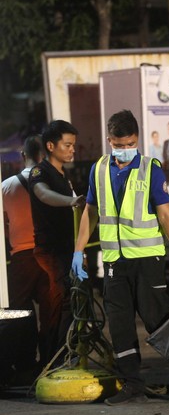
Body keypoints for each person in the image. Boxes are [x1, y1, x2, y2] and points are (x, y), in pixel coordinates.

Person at [71, 109, 169, 406]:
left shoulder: (151, 168)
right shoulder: (98, 169)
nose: (125, 150)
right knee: (120, 325)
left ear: (137, 139)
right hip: (114, 261)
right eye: (119, 145)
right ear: (109, 140)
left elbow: (166, 214)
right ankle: (133, 384)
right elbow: (91, 211)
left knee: (158, 322)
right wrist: (78, 250)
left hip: (147, 259)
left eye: (130, 144)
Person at [29, 120, 85, 367]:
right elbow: (43, 194)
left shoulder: (64, 175)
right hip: (51, 251)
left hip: (67, 251)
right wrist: (70, 202)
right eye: (68, 145)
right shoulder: (39, 172)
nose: (73, 149)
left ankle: (66, 356)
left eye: (74, 145)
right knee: (57, 307)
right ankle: (51, 361)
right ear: (51, 146)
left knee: (71, 306)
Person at [0, 135, 48, 384]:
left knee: (21, 312)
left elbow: (2, 227)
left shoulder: (6, 186)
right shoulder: (55, 182)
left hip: (21, 257)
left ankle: (24, 363)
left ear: (23, 155)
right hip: (49, 256)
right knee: (52, 311)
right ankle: (52, 360)